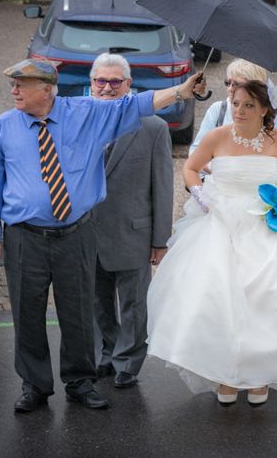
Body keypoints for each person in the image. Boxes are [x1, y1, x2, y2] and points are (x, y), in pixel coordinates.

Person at [0, 58, 204, 412]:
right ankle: (34, 385)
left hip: (75, 233)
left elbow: (137, 104)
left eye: (21, 85)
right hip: (24, 236)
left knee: (78, 312)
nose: (14, 91)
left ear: (47, 89)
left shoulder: (84, 113)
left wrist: (180, 90)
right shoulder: (4, 126)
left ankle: (80, 382)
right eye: (14, 85)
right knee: (27, 314)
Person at [146, 80, 277, 406]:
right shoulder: (217, 137)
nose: (240, 111)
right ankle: (227, 376)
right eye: (236, 103)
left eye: (249, 106)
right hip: (221, 227)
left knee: (266, 301)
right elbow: (190, 167)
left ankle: (259, 377)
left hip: (263, 226)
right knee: (217, 301)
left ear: (266, 110)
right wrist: (199, 194)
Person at [89, 53, 173, 389]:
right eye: (100, 81)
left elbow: (163, 185)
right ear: (91, 83)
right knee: (97, 300)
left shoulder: (153, 127)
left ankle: (128, 361)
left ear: (129, 85)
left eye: (115, 82)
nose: (107, 88)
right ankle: (106, 352)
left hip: (133, 232)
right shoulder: (79, 120)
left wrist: (160, 239)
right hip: (87, 231)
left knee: (135, 304)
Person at [189, 58, 277, 160]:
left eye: (237, 84)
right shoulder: (218, 110)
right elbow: (196, 150)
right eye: (228, 83)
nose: (230, 88)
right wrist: (216, 169)